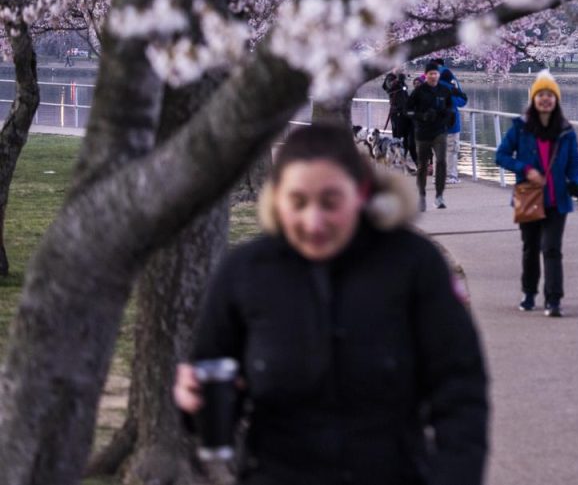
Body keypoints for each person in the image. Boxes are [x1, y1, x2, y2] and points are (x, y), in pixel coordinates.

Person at [174, 123, 489, 485]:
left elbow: (461, 392)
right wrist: (193, 404)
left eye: (330, 202)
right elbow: (211, 385)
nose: (313, 221)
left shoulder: (414, 265)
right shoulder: (245, 272)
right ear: (277, 199)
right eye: (298, 202)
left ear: (361, 193)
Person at [493, 70, 578, 317]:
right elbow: (500, 156)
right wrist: (524, 168)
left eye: (550, 95)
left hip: (558, 200)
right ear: (533, 99)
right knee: (531, 247)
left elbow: (574, 163)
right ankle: (529, 292)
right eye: (541, 95)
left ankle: (554, 299)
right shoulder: (521, 128)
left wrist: (576, 183)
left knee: (552, 248)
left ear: (556, 100)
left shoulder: (566, 130)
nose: (545, 99)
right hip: (530, 197)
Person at [409, 63, 466, 211]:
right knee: (422, 166)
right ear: (426, 75)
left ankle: (439, 196)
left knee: (441, 161)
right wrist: (422, 116)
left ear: (438, 75)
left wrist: (448, 116)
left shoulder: (445, 90)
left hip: (440, 131)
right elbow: (407, 111)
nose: (433, 76)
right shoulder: (419, 91)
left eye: (435, 73)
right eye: (430, 73)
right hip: (423, 132)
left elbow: (452, 105)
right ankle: (421, 196)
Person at [438, 65, 469, 184]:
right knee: (452, 150)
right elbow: (462, 102)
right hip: (452, 125)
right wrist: (459, 92)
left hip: (437, 125)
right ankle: (451, 175)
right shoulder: (452, 90)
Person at [383, 68, 415, 171]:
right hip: (397, 114)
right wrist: (398, 80)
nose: (402, 68)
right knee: (397, 139)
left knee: (406, 139)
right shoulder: (390, 79)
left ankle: (403, 162)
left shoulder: (401, 81)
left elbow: (404, 96)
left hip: (406, 114)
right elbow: (389, 88)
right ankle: (397, 162)